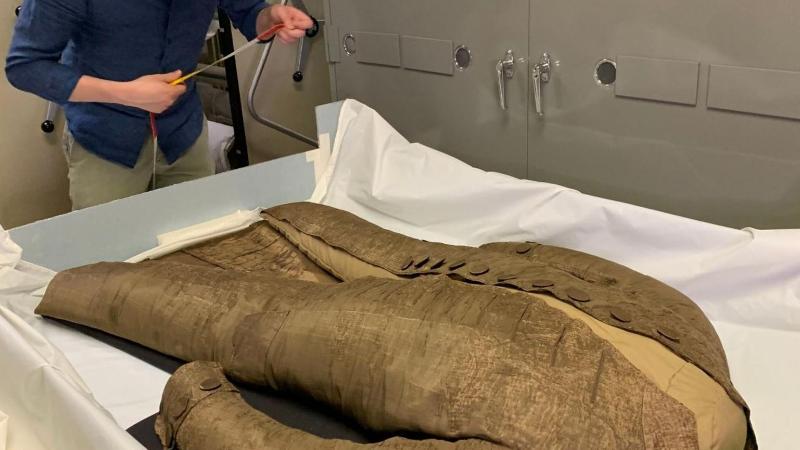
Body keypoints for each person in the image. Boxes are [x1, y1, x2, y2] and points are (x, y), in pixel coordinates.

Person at [5, 1, 312, 210]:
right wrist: (125, 94)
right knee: (110, 267)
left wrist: (269, 17)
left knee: (199, 252)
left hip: (184, 134)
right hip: (106, 142)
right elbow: (25, 67)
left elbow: (249, 12)